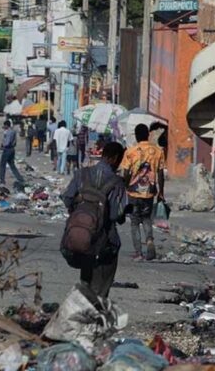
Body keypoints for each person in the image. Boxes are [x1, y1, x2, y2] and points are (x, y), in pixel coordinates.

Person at [61, 142, 127, 298]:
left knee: (86, 278)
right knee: (101, 285)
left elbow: (67, 199)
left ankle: (83, 305)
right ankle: (95, 310)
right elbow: (115, 215)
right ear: (115, 158)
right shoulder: (117, 182)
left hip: (81, 237)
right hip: (104, 242)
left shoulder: (82, 174)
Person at [120, 124, 165, 261]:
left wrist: (125, 185)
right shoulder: (158, 151)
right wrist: (161, 192)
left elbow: (126, 172)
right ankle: (150, 240)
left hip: (133, 193)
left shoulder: (130, 151)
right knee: (146, 219)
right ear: (148, 135)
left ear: (136, 136)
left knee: (134, 222)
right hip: (150, 192)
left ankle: (139, 252)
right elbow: (161, 173)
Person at [0, 120, 25, 186]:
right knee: (12, 165)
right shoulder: (13, 131)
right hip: (12, 149)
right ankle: (20, 178)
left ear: (6, 125)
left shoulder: (8, 132)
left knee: (2, 165)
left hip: (7, 149)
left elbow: (7, 142)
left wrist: (3, 145)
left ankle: (2, 180)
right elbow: (15, 141)